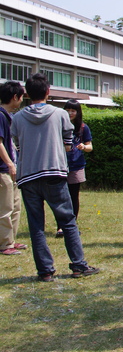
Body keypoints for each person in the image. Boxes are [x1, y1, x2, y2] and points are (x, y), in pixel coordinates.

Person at [11, 73, 99, 282]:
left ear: (26, 94)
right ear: (48, 92)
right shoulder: (59, 114)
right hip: (54, 173)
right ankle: (78, 265)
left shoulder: (18, 118)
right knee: (67, 221)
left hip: (28, 176)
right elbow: (68, 143)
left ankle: (45, 271)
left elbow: (17, 144)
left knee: (36, 225)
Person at [55, 99, 93, 238]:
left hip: (76, 165)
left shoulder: (83, 128)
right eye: (67, 110)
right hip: (59, 165)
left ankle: (71, 225)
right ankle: (60, 227)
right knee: (60, 197)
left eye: (73, 111)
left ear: (78, 112)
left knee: (73, 196)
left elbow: (90, 146)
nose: (70, 113)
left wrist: (84, 146)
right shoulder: (57, 125)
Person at [0, 81, 27, 256]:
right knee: (5, 208)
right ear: (15, 97)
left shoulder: (9, 116)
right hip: (3, 169)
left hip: (12, 169)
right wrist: (9, 164)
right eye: (21, 96)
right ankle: (4, 244)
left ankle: (11, 239)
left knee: (16, 206)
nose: (22, 100)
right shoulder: (0, 116)